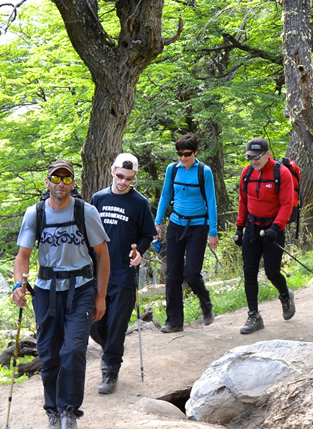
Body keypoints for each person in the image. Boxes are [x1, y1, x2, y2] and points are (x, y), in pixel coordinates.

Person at [11, 160, 111, 429]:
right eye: (56, 178)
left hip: (81, 289)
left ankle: (69, 412)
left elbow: (103, 255)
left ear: (73, 184)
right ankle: (52, 412)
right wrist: (19, 284)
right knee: (50, 353)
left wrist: (100, 296)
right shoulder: (36, 214)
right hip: (45, 290)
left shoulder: (85, 212)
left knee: (74, 350)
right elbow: (23, 256)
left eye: (67, 179)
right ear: (47, 182)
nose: (61, 184)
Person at [88, 153, 153, 394]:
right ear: (112, 171)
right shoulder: (98, 198)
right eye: (120, 176)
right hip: (97, 274)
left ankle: (110, 370)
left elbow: (147, 234)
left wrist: (140, 253)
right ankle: (113, 350)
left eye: (129, 178)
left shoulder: (139, 203)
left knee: (116, 324)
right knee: (93, 324)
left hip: (124, 274)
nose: (123, 182)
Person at [153, 133, 220, 332]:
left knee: (191, 273)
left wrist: (213, 232)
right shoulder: (172, 170)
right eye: (180, 154)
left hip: (198, 227)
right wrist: (157, 222)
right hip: (175, 225)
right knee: (172, 275)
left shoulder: (204, 172)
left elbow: (212, 203)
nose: (183, 158)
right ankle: (174, 322)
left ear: (195, 152)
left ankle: (206, 304)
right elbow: (166, 195)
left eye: (187, 154)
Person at [234, 137, 297, 334]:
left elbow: (287, 204)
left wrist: (276, 228)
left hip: (273, 229)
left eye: (257, 157)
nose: (253, 161)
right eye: (250, 157)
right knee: (249, 271)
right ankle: (254, 315)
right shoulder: (247, 173)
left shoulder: (282, 173)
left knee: (272, 272)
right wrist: (239, 228)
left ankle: (285, 295)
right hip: (253, 227)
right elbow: (243, 201)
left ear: (267, 154)